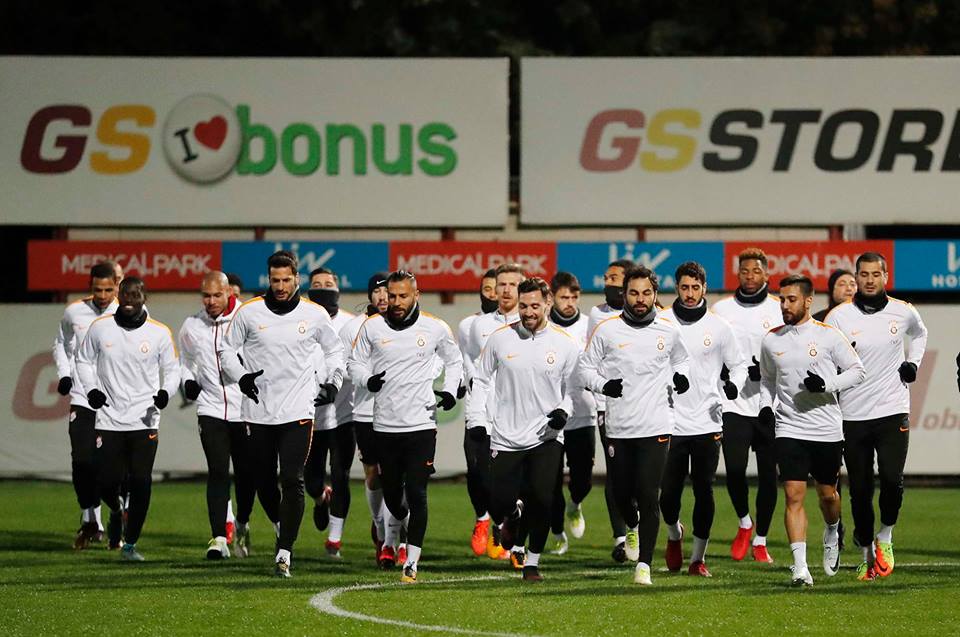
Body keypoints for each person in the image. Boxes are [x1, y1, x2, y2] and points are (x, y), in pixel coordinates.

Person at [218, 250, 345, 578]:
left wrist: (333, 381)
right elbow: (226, 350)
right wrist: (241, 377)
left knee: (292, 479)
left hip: (298, 410)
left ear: (297, 279)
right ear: (268, 279)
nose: (280, 286)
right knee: (263, 481)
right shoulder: (249, 312)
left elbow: (334, 350)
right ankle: (279, 525)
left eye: (286, 280)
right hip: (257, 411)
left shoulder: (314, 314)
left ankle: (284, 552)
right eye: (275, 280)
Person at [578, 265, 691, 585]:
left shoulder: (669, 331)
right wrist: (603, 386)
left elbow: (682, 360)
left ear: (655, 295)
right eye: (633, 293)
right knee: (622, 493)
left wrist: (682, 376)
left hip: (657, 425)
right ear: (624, 294)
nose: (640, 299)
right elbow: (584, 369)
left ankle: (644, 565)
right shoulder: (607, 331)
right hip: (619, 426)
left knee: (649, 494)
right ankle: (631, 525)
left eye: (646, 293)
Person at [348, 270, 463, 583]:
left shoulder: (435, 327)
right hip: (384, 425)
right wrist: (367, 379)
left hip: (421, 424)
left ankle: (411, 562)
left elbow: (454, 361)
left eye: (402, 296)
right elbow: (354, 363)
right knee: (394, 499)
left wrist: (450, 390)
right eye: (392, 296)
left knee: (417, 492)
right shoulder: (372, 327)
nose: (396, 302)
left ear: (416, 295)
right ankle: (395, 527)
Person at [468, 277, 580, 582]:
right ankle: (512, 516)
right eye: (524, 306)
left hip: (546, 435)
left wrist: (564, 411)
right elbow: (481, 380)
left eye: (534, 306)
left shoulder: (564, 343)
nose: (528, 312)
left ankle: (531, 562)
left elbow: (574, 388)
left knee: (543, 499)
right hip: (506, 436)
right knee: (498, 502)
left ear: (547, 304)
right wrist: (476, 419)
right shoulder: (500, 340)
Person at [825, 252, 928, 580]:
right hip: (852, 414)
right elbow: (826, 356)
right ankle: (867, 554)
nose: (869, 280)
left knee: (892, 481)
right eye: (864, 274)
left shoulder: (903, 311)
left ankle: (885, 536)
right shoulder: (839, 317)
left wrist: (913, 364)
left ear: (886, 276)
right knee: (859, 489)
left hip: (892, 409)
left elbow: (920, 334)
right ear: (856, 277)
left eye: (875, 274)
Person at [759, 274, 865, 586]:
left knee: (828, 495)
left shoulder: (829, 336)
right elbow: (767, 380)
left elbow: (858, 371)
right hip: (789, 427)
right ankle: (800, 567)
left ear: (808, 301)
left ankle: (832, 529)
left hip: (826, 429)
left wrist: (827, 384)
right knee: (793, 495)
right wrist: (766, 406)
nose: (785, 305)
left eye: (791, 299)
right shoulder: (771, 340)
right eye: (782, 299)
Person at [76, 277, 180, 561]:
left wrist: (165, 392)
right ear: (118, 296)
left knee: (141, 481)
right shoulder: (100, 328)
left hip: (145, 419)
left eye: (136, 294)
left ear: (145, 297)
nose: (130, 299)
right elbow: (83, 361)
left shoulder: (159, 332)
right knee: (105, 481)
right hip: (109, 418)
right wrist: (91, 390)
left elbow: (173, 370)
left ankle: (130, 544)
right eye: (125, 294)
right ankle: (115, 509)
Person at [658, 261, 746, 577]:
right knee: (668, 494)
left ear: (704, 288)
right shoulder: (661, 322)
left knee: (704, 489)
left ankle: (698, 559)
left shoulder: (720, 327)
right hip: (669, 420)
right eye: (684, 287)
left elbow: (738, 365)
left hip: (708, 420)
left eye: (696, 287)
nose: (690, 293)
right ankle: (674, 533)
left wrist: (734, 385)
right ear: (676, 288)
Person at [712, 247, 782, 563]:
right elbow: (711, 350)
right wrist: (727, 373)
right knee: (735, 470)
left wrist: (767, 371)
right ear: (737, 274)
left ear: (766, 273)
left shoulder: (779, 308)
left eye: (756, 271)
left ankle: (761, 540)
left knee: (768, 476)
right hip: (734, 403)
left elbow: (788, 350)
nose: (750, 276)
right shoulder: (721, 309)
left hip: (770, 404)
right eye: (744, 271)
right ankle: (744, 522)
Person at [178, 271, 254, 560]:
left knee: (247, 476)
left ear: (229, 293)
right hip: (210, 408)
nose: (210, 301)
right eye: (206, 296)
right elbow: (185, 360)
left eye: (216, 295)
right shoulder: (192, 325)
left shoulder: (247, 319)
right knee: (218, 471)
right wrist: (188, 380)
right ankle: (219, 538)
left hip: (245, 409)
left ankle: (242, 521)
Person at [53, 261, 120, 549]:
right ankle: (91, 519)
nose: (103, 296)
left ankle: (117, 516)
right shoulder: (74, 312)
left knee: (112, 469)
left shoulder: (127, 312)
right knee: (81, 462)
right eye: (97, 290)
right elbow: (61, 343)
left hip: (116, 401)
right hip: (82, 397)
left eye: (108, 290)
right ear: (90, 287)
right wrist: (64, 374)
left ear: (116, 287)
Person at [464, 263, 526, 565]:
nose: (505, 290)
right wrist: (474, 407)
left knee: (517, 485)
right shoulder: (479, 326)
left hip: (519, 417)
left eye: (512, 285)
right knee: (479, 475)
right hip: (485, 415)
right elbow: (476, 368)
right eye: (501, 284)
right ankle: (488, 520)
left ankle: (515, 544)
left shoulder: (533, 323)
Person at [304, 267, 357, 559]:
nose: (323, 288)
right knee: (311, 480)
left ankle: (334, 540)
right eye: (317, 284)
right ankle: (320, 498)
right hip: (309, 416)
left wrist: (337, 383)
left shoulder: (350, 324)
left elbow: (358, 364)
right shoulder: (300, 320)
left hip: (343, 414)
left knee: (341, 474)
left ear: (338, 289)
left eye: (328, 283)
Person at [340, 272, 393, 565]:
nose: (383, 297)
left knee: (397, 474)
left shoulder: (408, 324)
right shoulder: (353, 328)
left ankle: (394, 538)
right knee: (373, 474)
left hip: (400, 412)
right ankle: (380, 526)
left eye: (388, 291)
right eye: (377, 291)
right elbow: (344, 365)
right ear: (370, 295)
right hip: (365, 411)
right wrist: (366, 378)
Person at [586, 258, 634, 562]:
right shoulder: (597, 315)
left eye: (614, 278)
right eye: (606, 278)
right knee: (616, 470)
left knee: (644, 473)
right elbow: (592, 359)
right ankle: (621, 537)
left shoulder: (652, 314)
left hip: (645, 405)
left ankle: (644, 524)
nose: (608, 283)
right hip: (609, 404)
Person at [546, 271, 596, 556]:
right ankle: (557, 533)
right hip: (550, 415)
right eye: (564, 297)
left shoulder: (590, 326)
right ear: (552, 297)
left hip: (583, 411)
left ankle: (575, 505)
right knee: (550, 480)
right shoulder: (544, 326)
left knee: (583, 480)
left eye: (574, 297)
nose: (569, 302)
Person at [456, 268, 502, 558]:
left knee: (505, 474)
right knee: (476, 471)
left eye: (498, 288)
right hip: (477, 408)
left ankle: (503, 527)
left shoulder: (517, 325)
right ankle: (482, 518)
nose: (493, 293)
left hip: (508, 412)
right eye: (487, 289)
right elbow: (464, 359)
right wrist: (464, 383)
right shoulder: (468, 326)